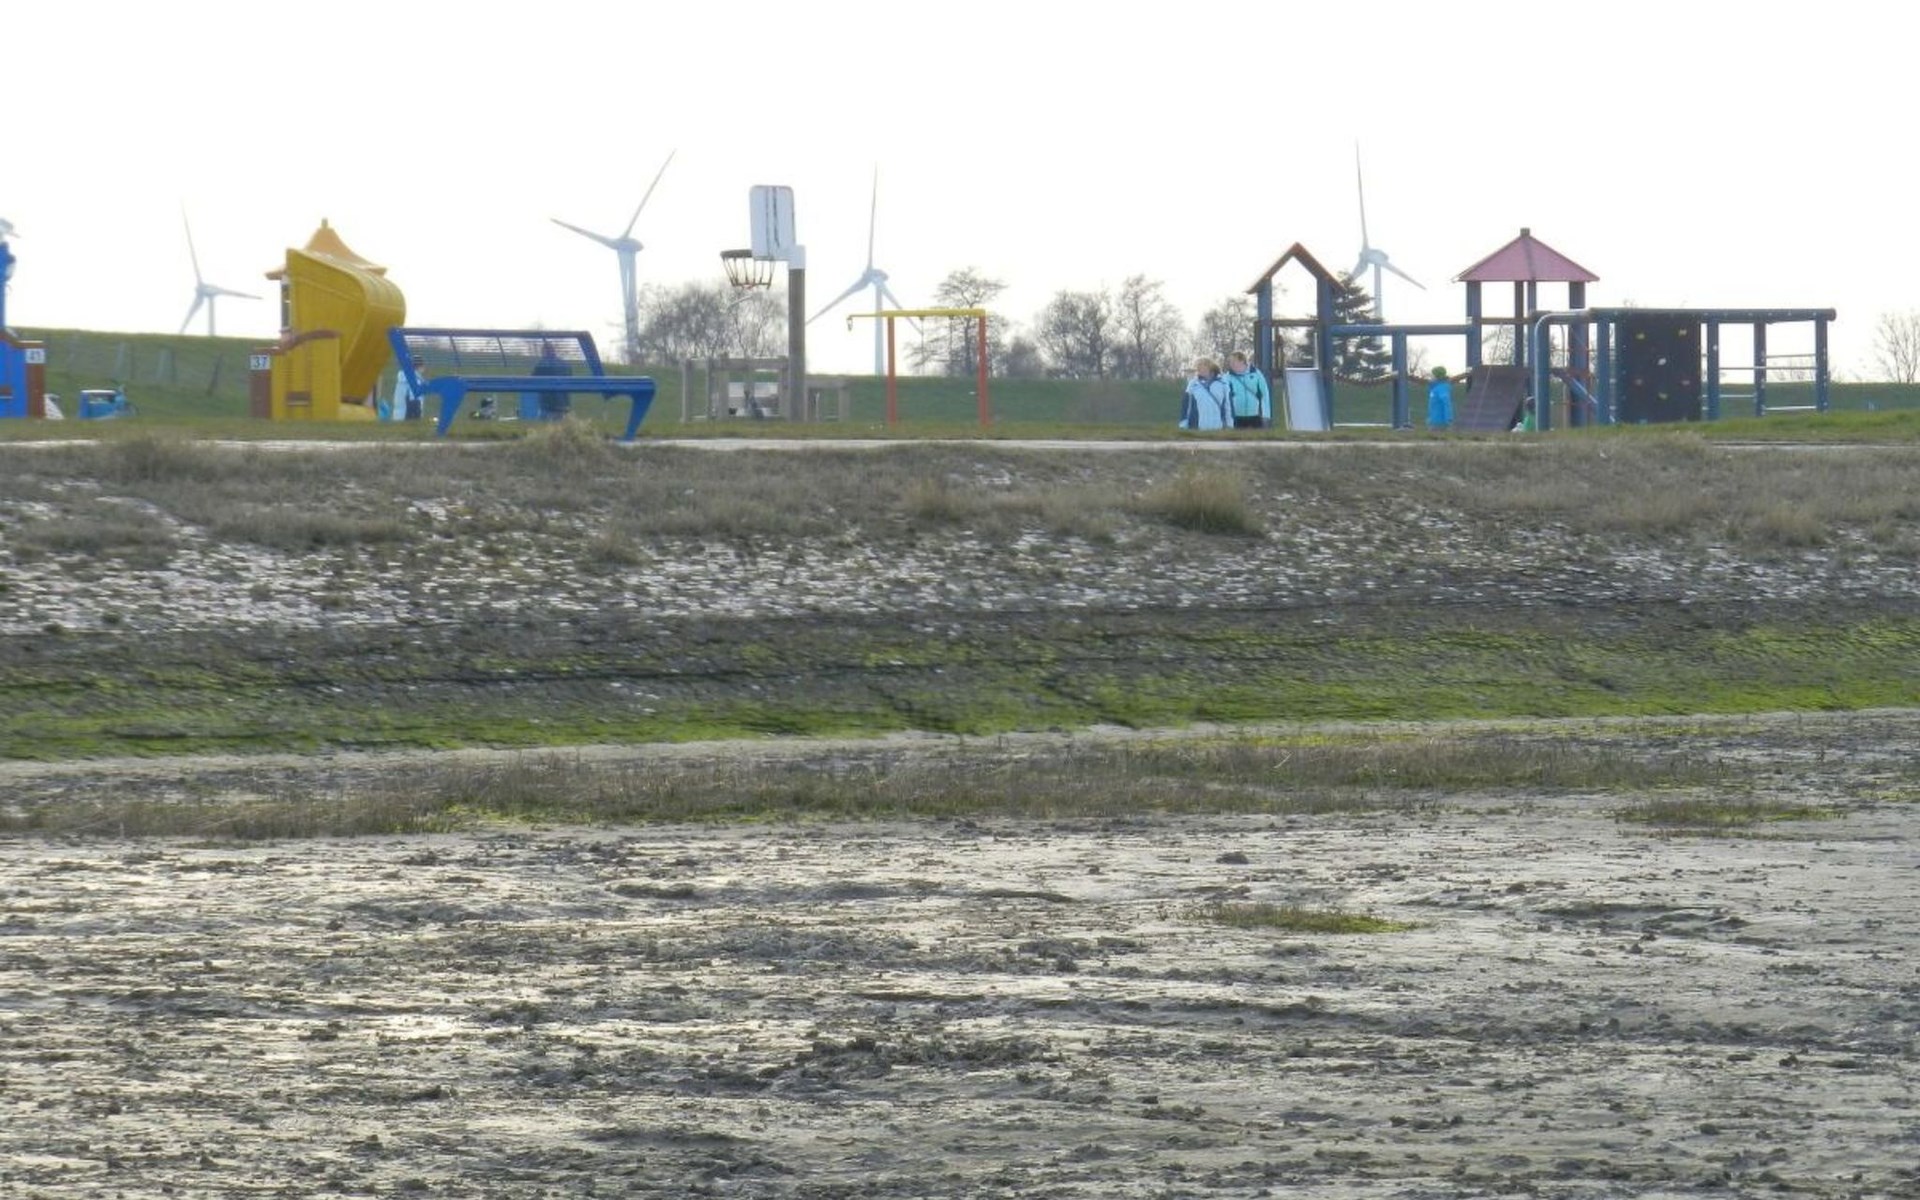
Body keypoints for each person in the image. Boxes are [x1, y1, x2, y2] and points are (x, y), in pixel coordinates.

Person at [1223, 351, 1273, 429]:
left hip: (1255, 416)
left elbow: (1264, 394)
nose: (1231, 364)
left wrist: (1266, 415)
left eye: (1233, 361)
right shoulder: (1227, 377)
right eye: (1230, 362)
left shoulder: (1256, 374)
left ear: (1242, 361)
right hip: (1236, 417)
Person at [1178, 358, 1231, 431]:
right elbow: (1186, 406)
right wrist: (1183, 424)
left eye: (1203, 366)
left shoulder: (1222, 383)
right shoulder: (1193, 384)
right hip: (1197, 428)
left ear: (1210, 368)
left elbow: (1227, 406)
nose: (1200, 369)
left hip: (1219, 428)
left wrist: (1230, 425)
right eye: (1198, 367)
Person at [529, 341, 573, 420]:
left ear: (544, 351)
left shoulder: (541, 364)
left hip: (548, 403)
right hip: (563, 401)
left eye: (542, 351)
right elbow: (570, 378)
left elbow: (532, 379)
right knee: (560, 422)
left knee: (545, 422)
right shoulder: (565, 364)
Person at [1427, 366, 1453, 432]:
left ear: (1437, 377)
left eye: (1432, 375)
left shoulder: (1442, 388)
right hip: (1433, 421)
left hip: (1440, 423)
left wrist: (1448, 419)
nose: (1431, 377)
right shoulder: (1434, 388)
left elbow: (1446, 403)